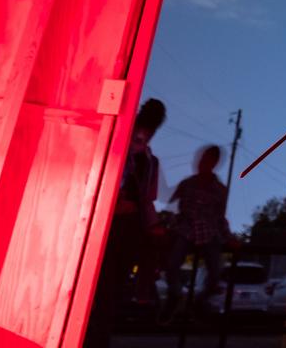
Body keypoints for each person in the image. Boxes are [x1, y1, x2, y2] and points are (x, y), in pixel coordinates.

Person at [86, 98, 167, 345]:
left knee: (110, 289)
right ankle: (94, 335)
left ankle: (98, 335)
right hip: (110, 224)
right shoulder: (121, 146)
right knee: (103, 287)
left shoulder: (149, 161)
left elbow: (146, 198)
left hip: (129, 227)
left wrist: (151, 223)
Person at [162, 144, 232, 319]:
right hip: (185, 228)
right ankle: (176, 295)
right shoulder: (187, 184)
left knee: (216, 272)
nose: (202, 163)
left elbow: (220, 217)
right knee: (172, 263)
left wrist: (228, 236)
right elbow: (171, 207)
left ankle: (196, 302)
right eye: (202, 159)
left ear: (214, 163)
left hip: (208, 231)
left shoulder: (219, 190)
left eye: (207, 160)